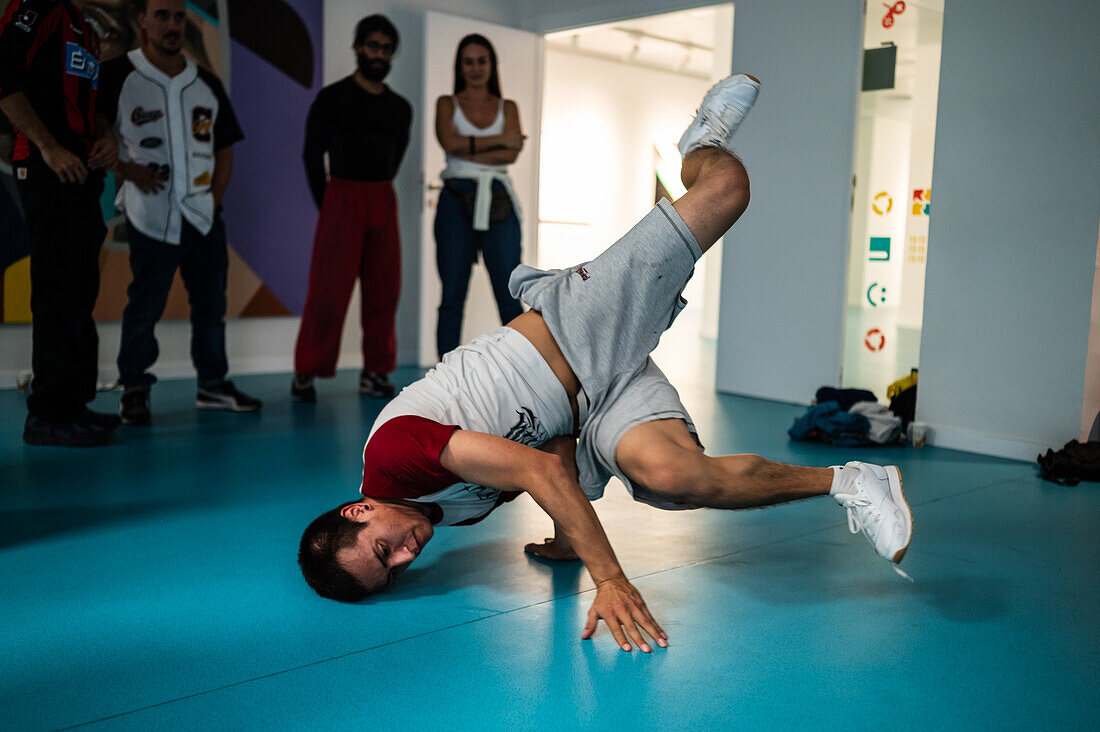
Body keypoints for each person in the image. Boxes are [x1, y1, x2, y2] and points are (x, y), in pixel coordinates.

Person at [299, 75, 914, 654]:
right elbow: (545, 440)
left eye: (383, 551)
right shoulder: (438, 515)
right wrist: (569, 540)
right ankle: (856, 480)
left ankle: (701, 144)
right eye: (394, 573)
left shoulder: (392, 458)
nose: (405, 557)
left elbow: (537, 469)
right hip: (593, 405)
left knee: (726, 191)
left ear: (360, 510)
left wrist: (609, 577)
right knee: (672, 478)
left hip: (572, 331)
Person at [96, 0, 258, 424]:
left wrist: (214, 200)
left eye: (179, 16)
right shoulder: (117, 75)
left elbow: (224, 149)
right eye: (162, 15)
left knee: (210, 306)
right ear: (143, 20)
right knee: (144, 304)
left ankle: (212, 385)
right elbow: (93, 133)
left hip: (203, 216)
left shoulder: (205, 81)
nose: (172, 25)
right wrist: (128, 169)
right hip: (149, 214)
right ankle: (133, 388)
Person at [0, 0, 121, 446]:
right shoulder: (38, 5)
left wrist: (105, 135)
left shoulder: (81, 25)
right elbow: (4, 76)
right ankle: (47, 415)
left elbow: (90, 103)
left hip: (82, 173)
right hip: (47, 169)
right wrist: (48, 148)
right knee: (56, 290)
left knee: (78, 289)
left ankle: (73, 405)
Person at [290, 14, 412, 402]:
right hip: (340, 197)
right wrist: (327, 203)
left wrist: (375, 191)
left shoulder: (399, 108)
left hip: (381, 197)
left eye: (386, 48)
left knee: (384, 290)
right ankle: (307, 370)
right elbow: (312, 155)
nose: (379, 54)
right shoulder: (332, 98)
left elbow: (396, 157)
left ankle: (375, 372)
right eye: (373, 46)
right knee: (327, 292)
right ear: (358, 47)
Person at [432, 33, 526, 359]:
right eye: (468, 61)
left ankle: (524, 371)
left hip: (497, 197)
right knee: (452, 293)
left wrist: (468, 144)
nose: (475, 68)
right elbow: (449, 143)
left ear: (491, 65)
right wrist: (500, 141)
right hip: (455, 198)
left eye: (481, 61)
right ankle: (444, 377)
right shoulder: (447, 103)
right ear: (460, 65)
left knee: (509, 290)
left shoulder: (508, 107)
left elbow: (512, 154)